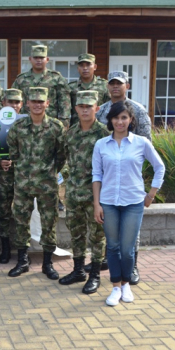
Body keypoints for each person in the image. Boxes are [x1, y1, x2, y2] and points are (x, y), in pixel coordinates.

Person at [92, 101, 164, 306]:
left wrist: (151, 194)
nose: (120, 121)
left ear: (131, 120)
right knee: (112, 247)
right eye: (116, 117)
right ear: (110, 120)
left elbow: (160, 167)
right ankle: (115, 286)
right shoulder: (101, 145)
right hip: (109, 203)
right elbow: (96, 175)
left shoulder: (141, 143)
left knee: (127, 248)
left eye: (124, 117)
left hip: (133, 202)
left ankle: (126, 285)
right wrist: (97, 204)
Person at [95, 71, 152, 284]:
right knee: (109, 230)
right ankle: (111, 263)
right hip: (108, 173)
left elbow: (146, 142)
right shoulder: (101, 110)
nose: (115, 87)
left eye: (119, 84)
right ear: (108, 87)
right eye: (112, 84)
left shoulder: (137, 109)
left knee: (130, 234)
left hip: (129, 176)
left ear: (127, 85)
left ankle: (132, 266)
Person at [3, 87, 66, 279]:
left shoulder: (56, 127)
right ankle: (22, 261)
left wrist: (52, 172)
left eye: (41, 102)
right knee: (21, 222)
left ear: (47, 103)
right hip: (23, 184)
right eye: (34, 101)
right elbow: (12, 153)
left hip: (47, 184)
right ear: (27, 103)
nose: (37, 105)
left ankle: (47, 263)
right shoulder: (19, 128)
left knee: (49, 222)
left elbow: (62, 155)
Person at [58, 91, 110, 294]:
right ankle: (78, 270)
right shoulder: (70, 134)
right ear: (76, 109)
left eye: (89, 106)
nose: (85, 109)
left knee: (97, 236)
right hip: (73, 193)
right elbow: (65, 160)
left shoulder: (104, 135)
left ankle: (95, 274)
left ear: (96, 108)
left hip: (96, 196)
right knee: (76, 234)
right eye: (82, 106)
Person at [0, 88, 23, 264]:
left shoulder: (28, 123)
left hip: (24, 176)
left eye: (16, 102)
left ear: (21, 104)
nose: (13, 105)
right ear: (3, 103)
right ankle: (5, 248)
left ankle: (22, 250)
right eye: (10, 102)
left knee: (22, 213)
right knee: (4, 212)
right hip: (3, 176)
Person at [12, 45, 71, 128]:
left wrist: (64, 122)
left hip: (50, 124)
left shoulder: (56, 78)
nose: (38, 60)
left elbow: (65, 101)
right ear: (30, 59)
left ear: (47, 59)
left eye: (41, 57)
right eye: (35, 57)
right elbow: (13, 101)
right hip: (26, 124)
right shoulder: (21, 79)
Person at [68, 53, 110, 127]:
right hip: (77, 128)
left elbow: (109, 107)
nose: (85, 68)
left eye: (88, 65)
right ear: (78, 68)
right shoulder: (71, 87)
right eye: (81, 65)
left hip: (99, 128)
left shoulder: (104, 85)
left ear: (95, 67)